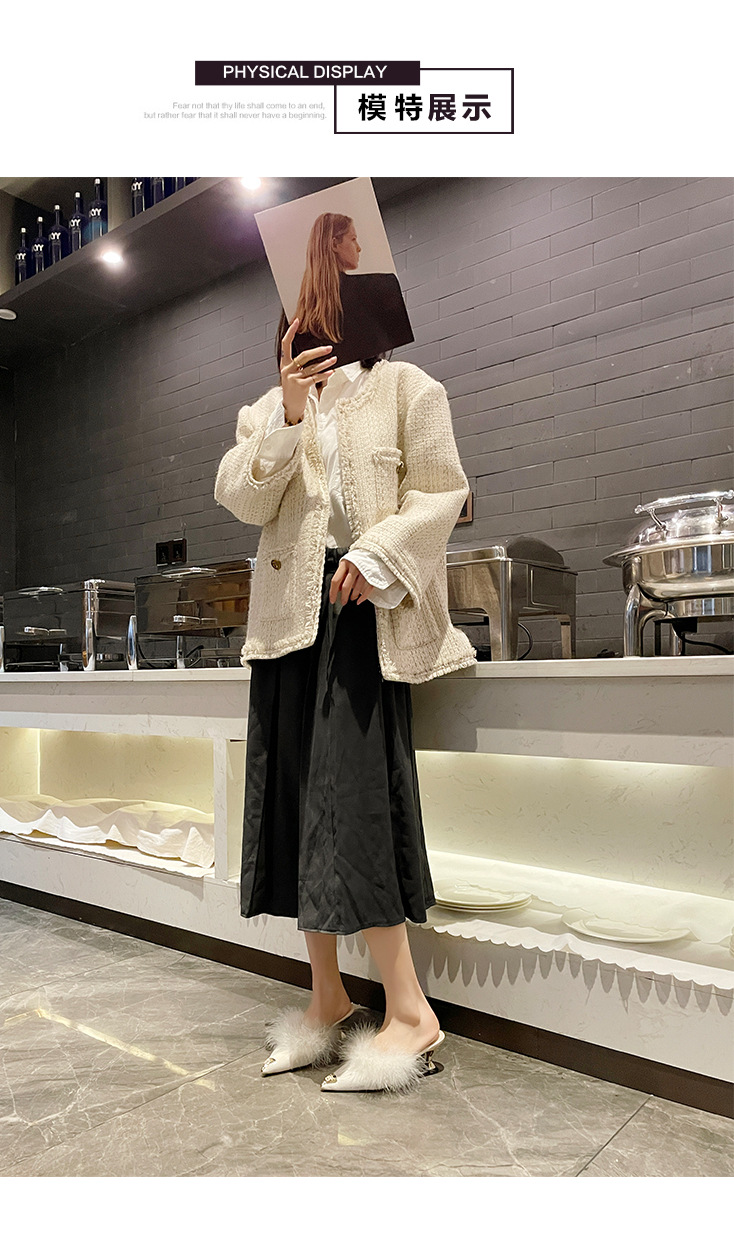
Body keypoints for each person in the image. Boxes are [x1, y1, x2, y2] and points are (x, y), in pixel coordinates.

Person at [213, 314, 476, 1093]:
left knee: (351, 800)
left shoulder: (408, 389)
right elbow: (240, 497)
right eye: (297, 321)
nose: (312, 332)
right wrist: (291, 414)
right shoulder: (268, 409)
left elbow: (442, 492)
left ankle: (411, 1011)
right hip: (284, 623)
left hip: (362, 614)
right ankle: (326, 996)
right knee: (298, 799)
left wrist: (376, 552)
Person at [291, 212, 414, 367]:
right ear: (334, 244)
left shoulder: (300, 321)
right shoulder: (382, 286)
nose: (359, 248)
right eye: (353, 239)